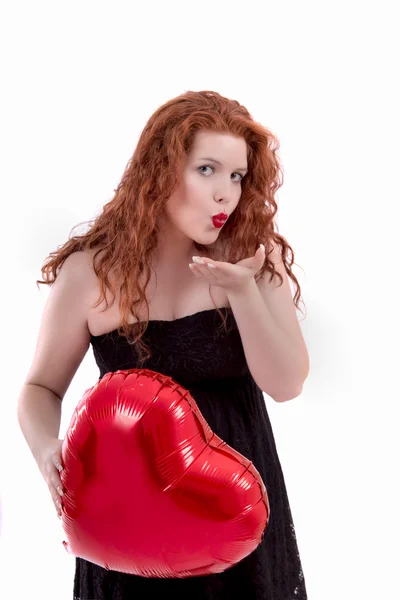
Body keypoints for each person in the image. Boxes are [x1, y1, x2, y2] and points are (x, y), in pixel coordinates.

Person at [17, 90, 310, 599]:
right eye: (207, 170)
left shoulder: (254, 261)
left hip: (235, 519)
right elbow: (40, 387)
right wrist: (47, 450)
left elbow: (286, 385)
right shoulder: (91, 274)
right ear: (161, 170)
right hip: (127, 523)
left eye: (237, 176)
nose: (226, 193)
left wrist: (243, 291)